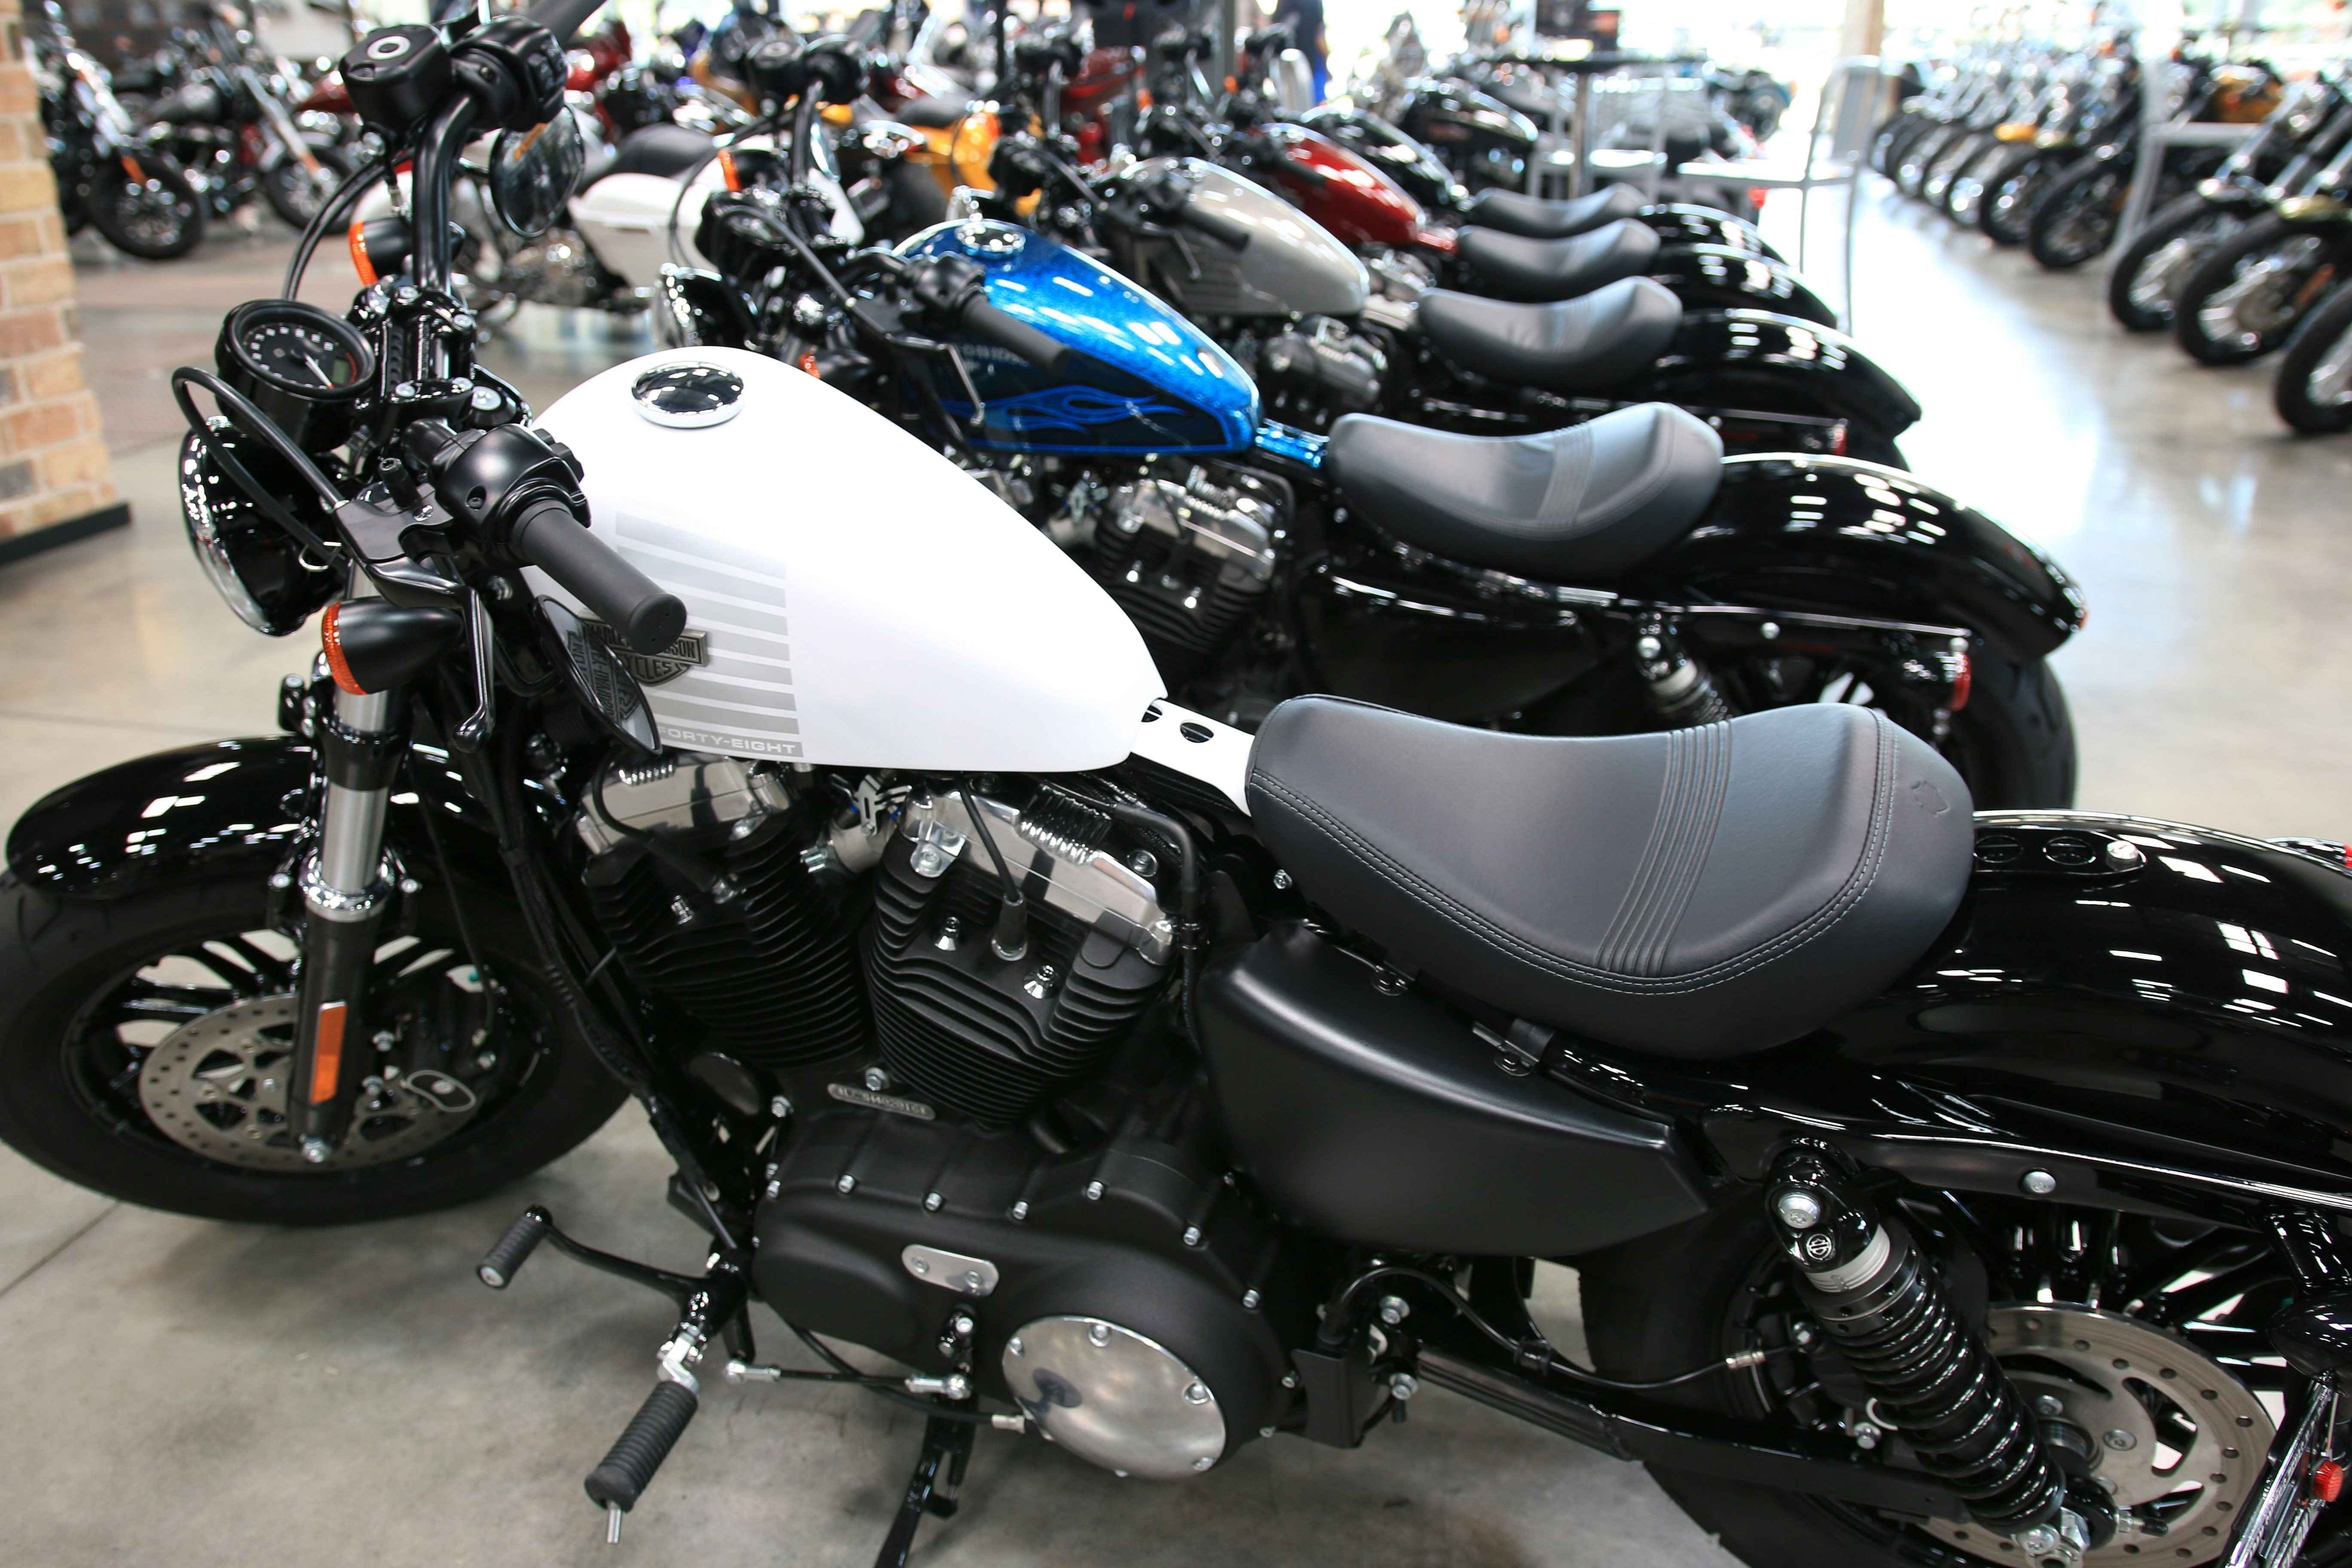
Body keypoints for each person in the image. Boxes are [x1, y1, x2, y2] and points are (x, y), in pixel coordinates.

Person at [1272, 0, 1326, 102]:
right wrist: (1326, 58)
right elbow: (1319, 36)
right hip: (1309, 61)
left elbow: (1275, 27)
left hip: (1286, 62)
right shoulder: (1315, 2)